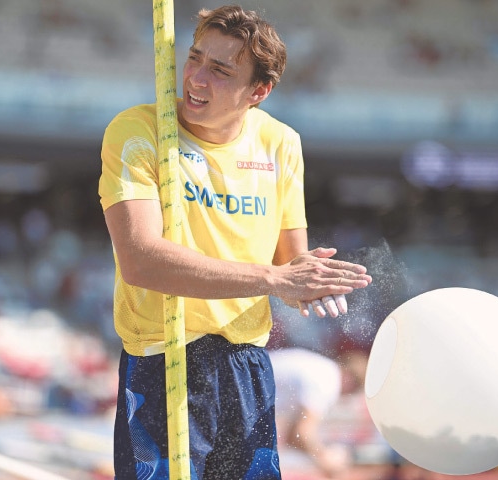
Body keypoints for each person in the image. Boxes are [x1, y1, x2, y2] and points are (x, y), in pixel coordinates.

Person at [98, 5, 372, 480]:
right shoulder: (139, 131)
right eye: (195, 57)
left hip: (246, 363)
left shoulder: (281, 143)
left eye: (220, 70)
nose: (196, 78)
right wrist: (277, 278)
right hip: (163, 357)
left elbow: (290, 261)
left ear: (259, 92)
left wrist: (311, 278)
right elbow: (141, 260)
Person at [269, 347, 368, 478]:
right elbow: (301, 434)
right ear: (349, 381)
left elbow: (293, 436)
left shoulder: (323, 368)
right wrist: (326, 459)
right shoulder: (329, 383)